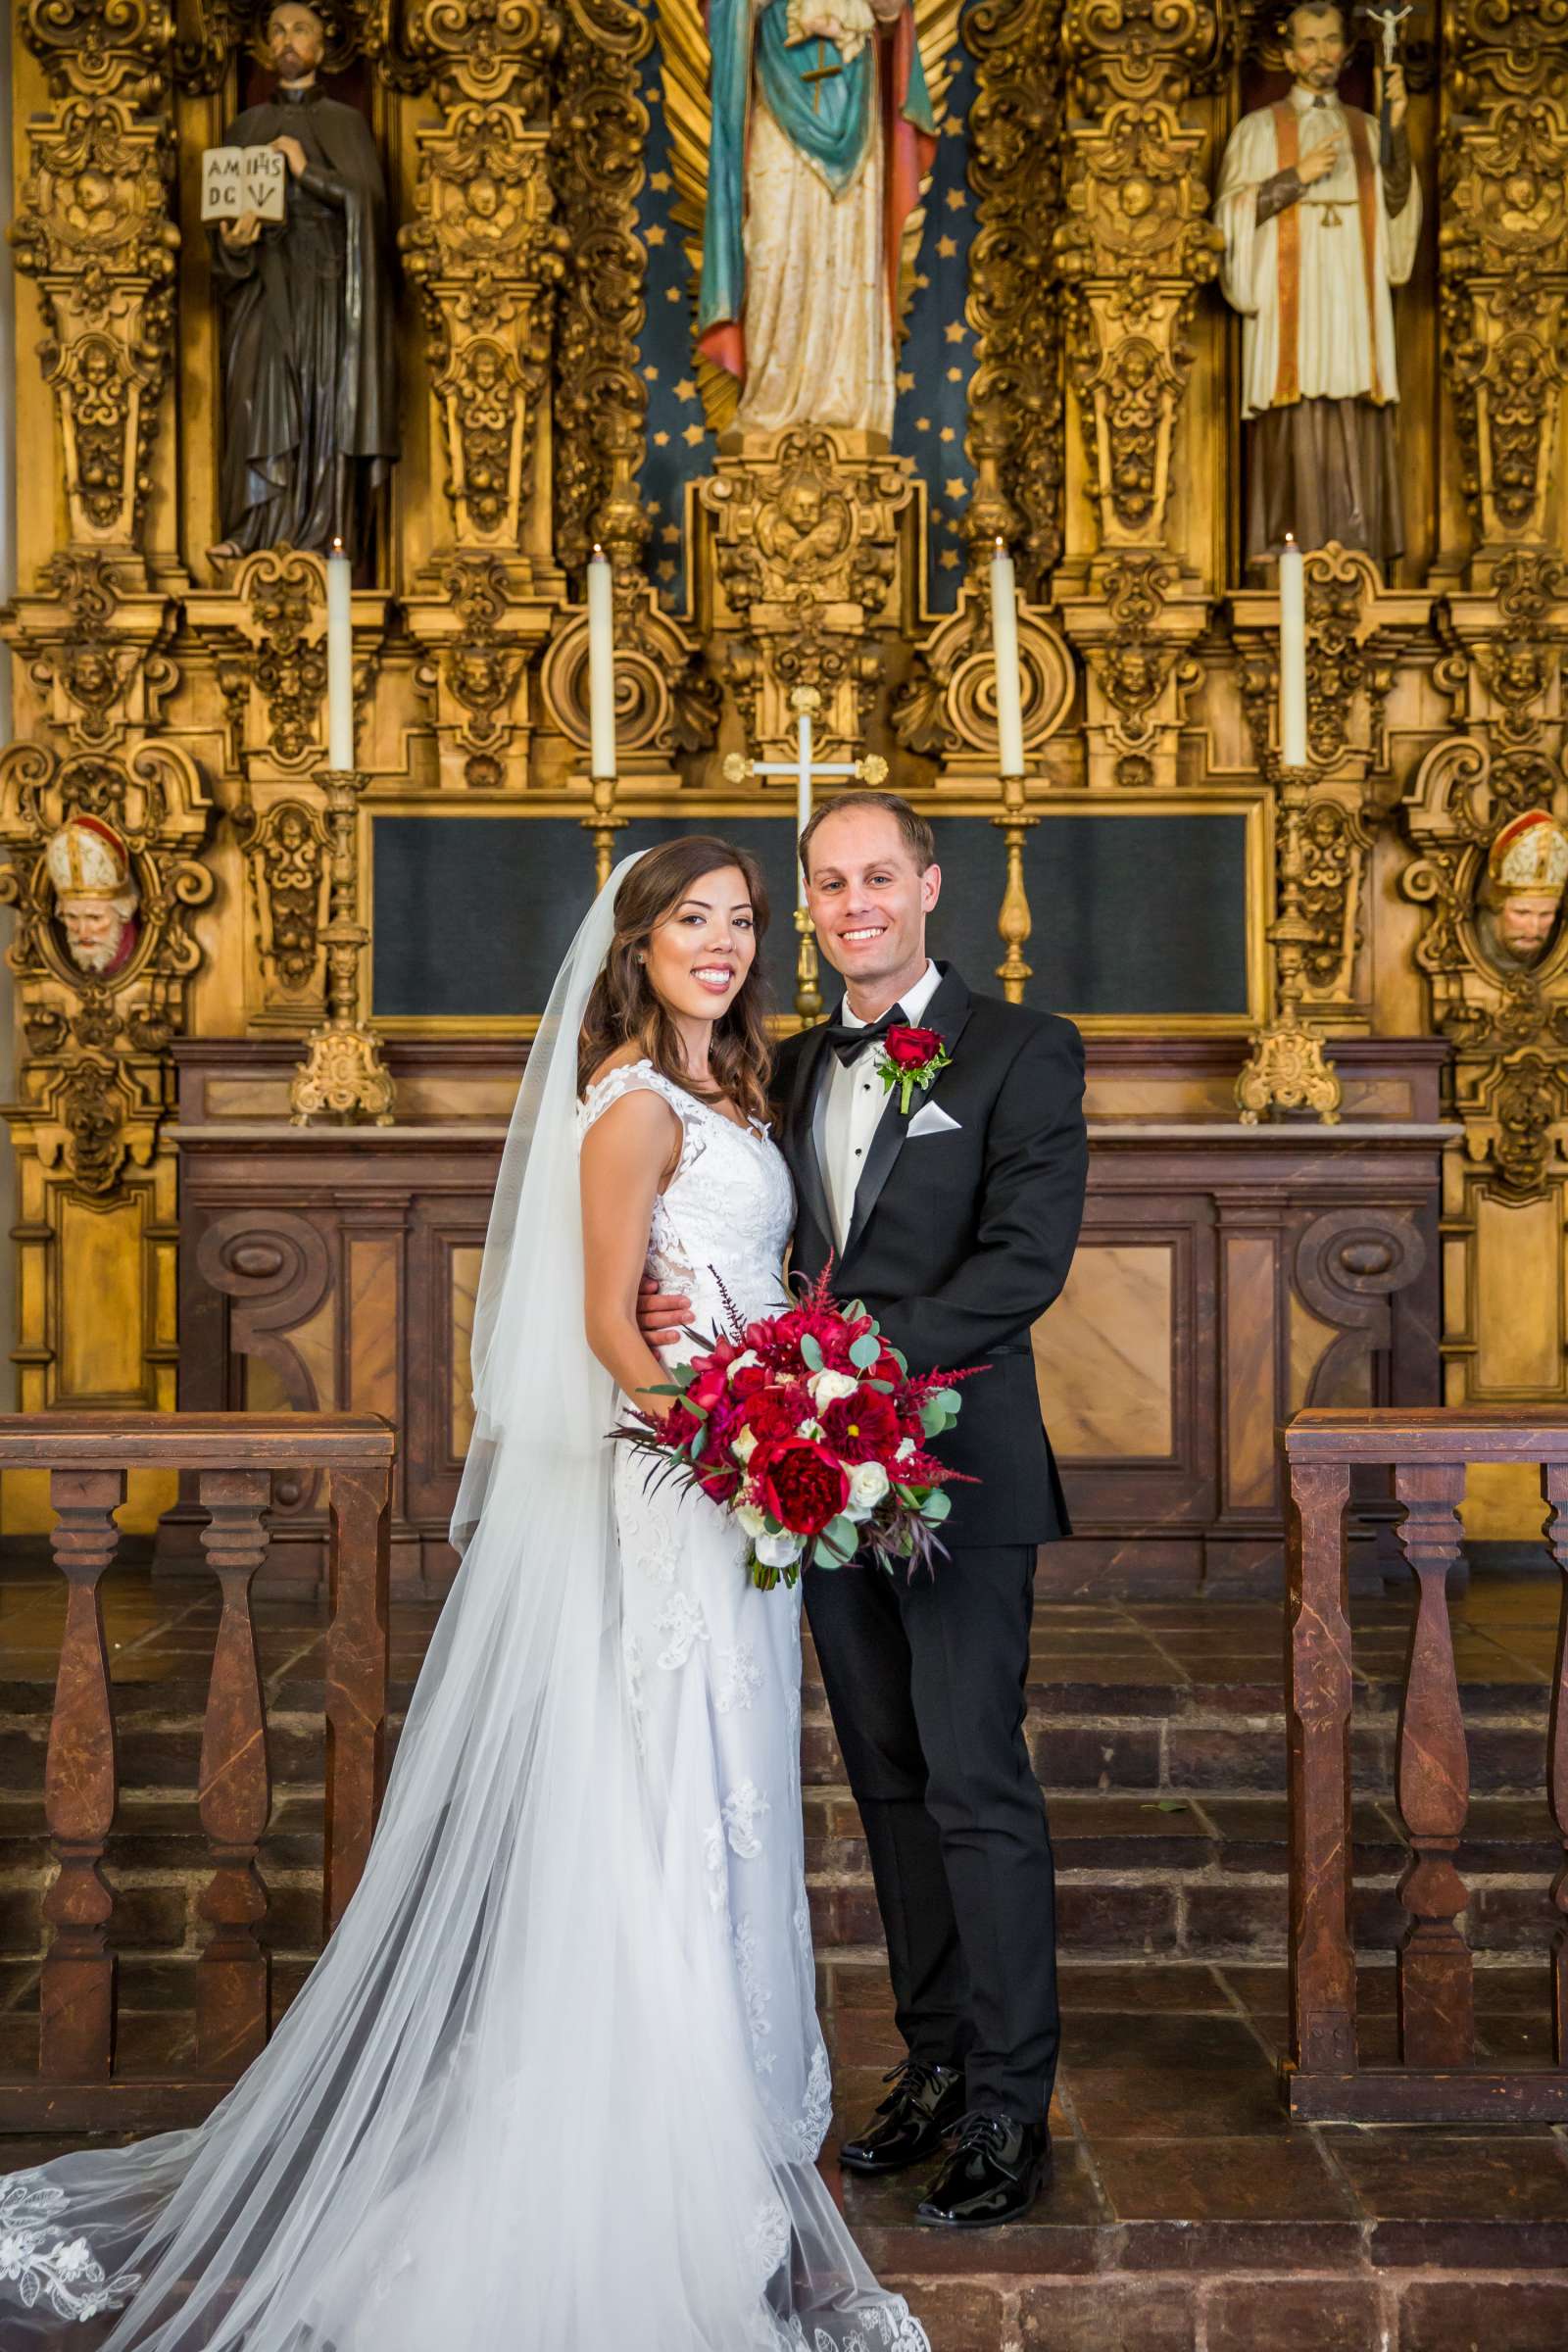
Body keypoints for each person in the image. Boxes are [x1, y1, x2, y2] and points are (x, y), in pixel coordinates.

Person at [0, 838, 927, 2351]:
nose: (725, 942)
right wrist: (737, 1443)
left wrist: (795, 1411)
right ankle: (649, 2133)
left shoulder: (736, 1094)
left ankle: (732, 2116)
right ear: (635, 942)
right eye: (694, 919)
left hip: (741, 1492)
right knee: (666, 1789)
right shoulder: (629, 1107)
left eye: (745, 921)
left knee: (733, 1785)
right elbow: (608, 1328)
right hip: (683, 1485)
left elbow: (741, 1291)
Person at [641, 792, 1088, 2226]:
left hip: (957, 1470)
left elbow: (1024, 1264)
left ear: (930, 886)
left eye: (878, 877)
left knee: (975, 1780)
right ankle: (940, 2063)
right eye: (828, 885)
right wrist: (688, 1312)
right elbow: (751, 1245)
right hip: (814, 1484)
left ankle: (1016, 2105)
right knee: (888, 1782)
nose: (855, 905)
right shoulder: (789, 1064)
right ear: (812, 907)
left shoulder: (1024, 1049)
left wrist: (855, 1378)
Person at [1214, 1, 1421, 576]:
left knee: (1355, 409)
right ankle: (1285, 557)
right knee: (1296, 414)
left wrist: (1398, 129)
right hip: (1292, 315)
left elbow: (1400, 211)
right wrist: (1293, 179)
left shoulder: (1370, 130)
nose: (1321, 53)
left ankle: (1361, 557)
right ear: (1287, 55)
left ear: (1347, 51)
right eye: (1309, 42)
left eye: (1331, 41)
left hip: (1353, 304)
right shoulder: (1257, 131)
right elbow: (1226, 219)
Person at [209, 2, 397, 560]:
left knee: (322, 400)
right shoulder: (244, 128)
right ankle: (253, 532)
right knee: (256, 394)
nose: (286, 40)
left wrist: (303, 170)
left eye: (300, 30)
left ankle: (321, 539)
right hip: (265, 288)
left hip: (327, 290)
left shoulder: (346, 123)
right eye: (276, 31)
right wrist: (234, 245)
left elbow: (369, 207)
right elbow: (221, 233)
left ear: (324, 42)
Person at [699, 0, 935, 436]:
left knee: (844, 247)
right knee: (771, 247)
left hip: (852, 111)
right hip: (779, 93)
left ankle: (843, 399)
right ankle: (771, 396)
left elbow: (890, 16)